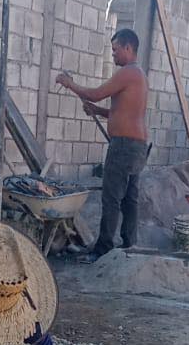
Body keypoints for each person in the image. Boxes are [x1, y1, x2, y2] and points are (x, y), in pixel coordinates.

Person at [56, 27, 149, 261]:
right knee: (129, 199)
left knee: (111, 197)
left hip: (124, 146)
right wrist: (97, 111)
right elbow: (123, 112)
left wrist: (69, 83)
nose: (113, 54)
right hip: (136, 146)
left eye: (116, 50)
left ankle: (103, 249)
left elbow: (96, 93)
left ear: (128, 47)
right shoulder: (137, 75)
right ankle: (129, 244)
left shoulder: (129, 72)